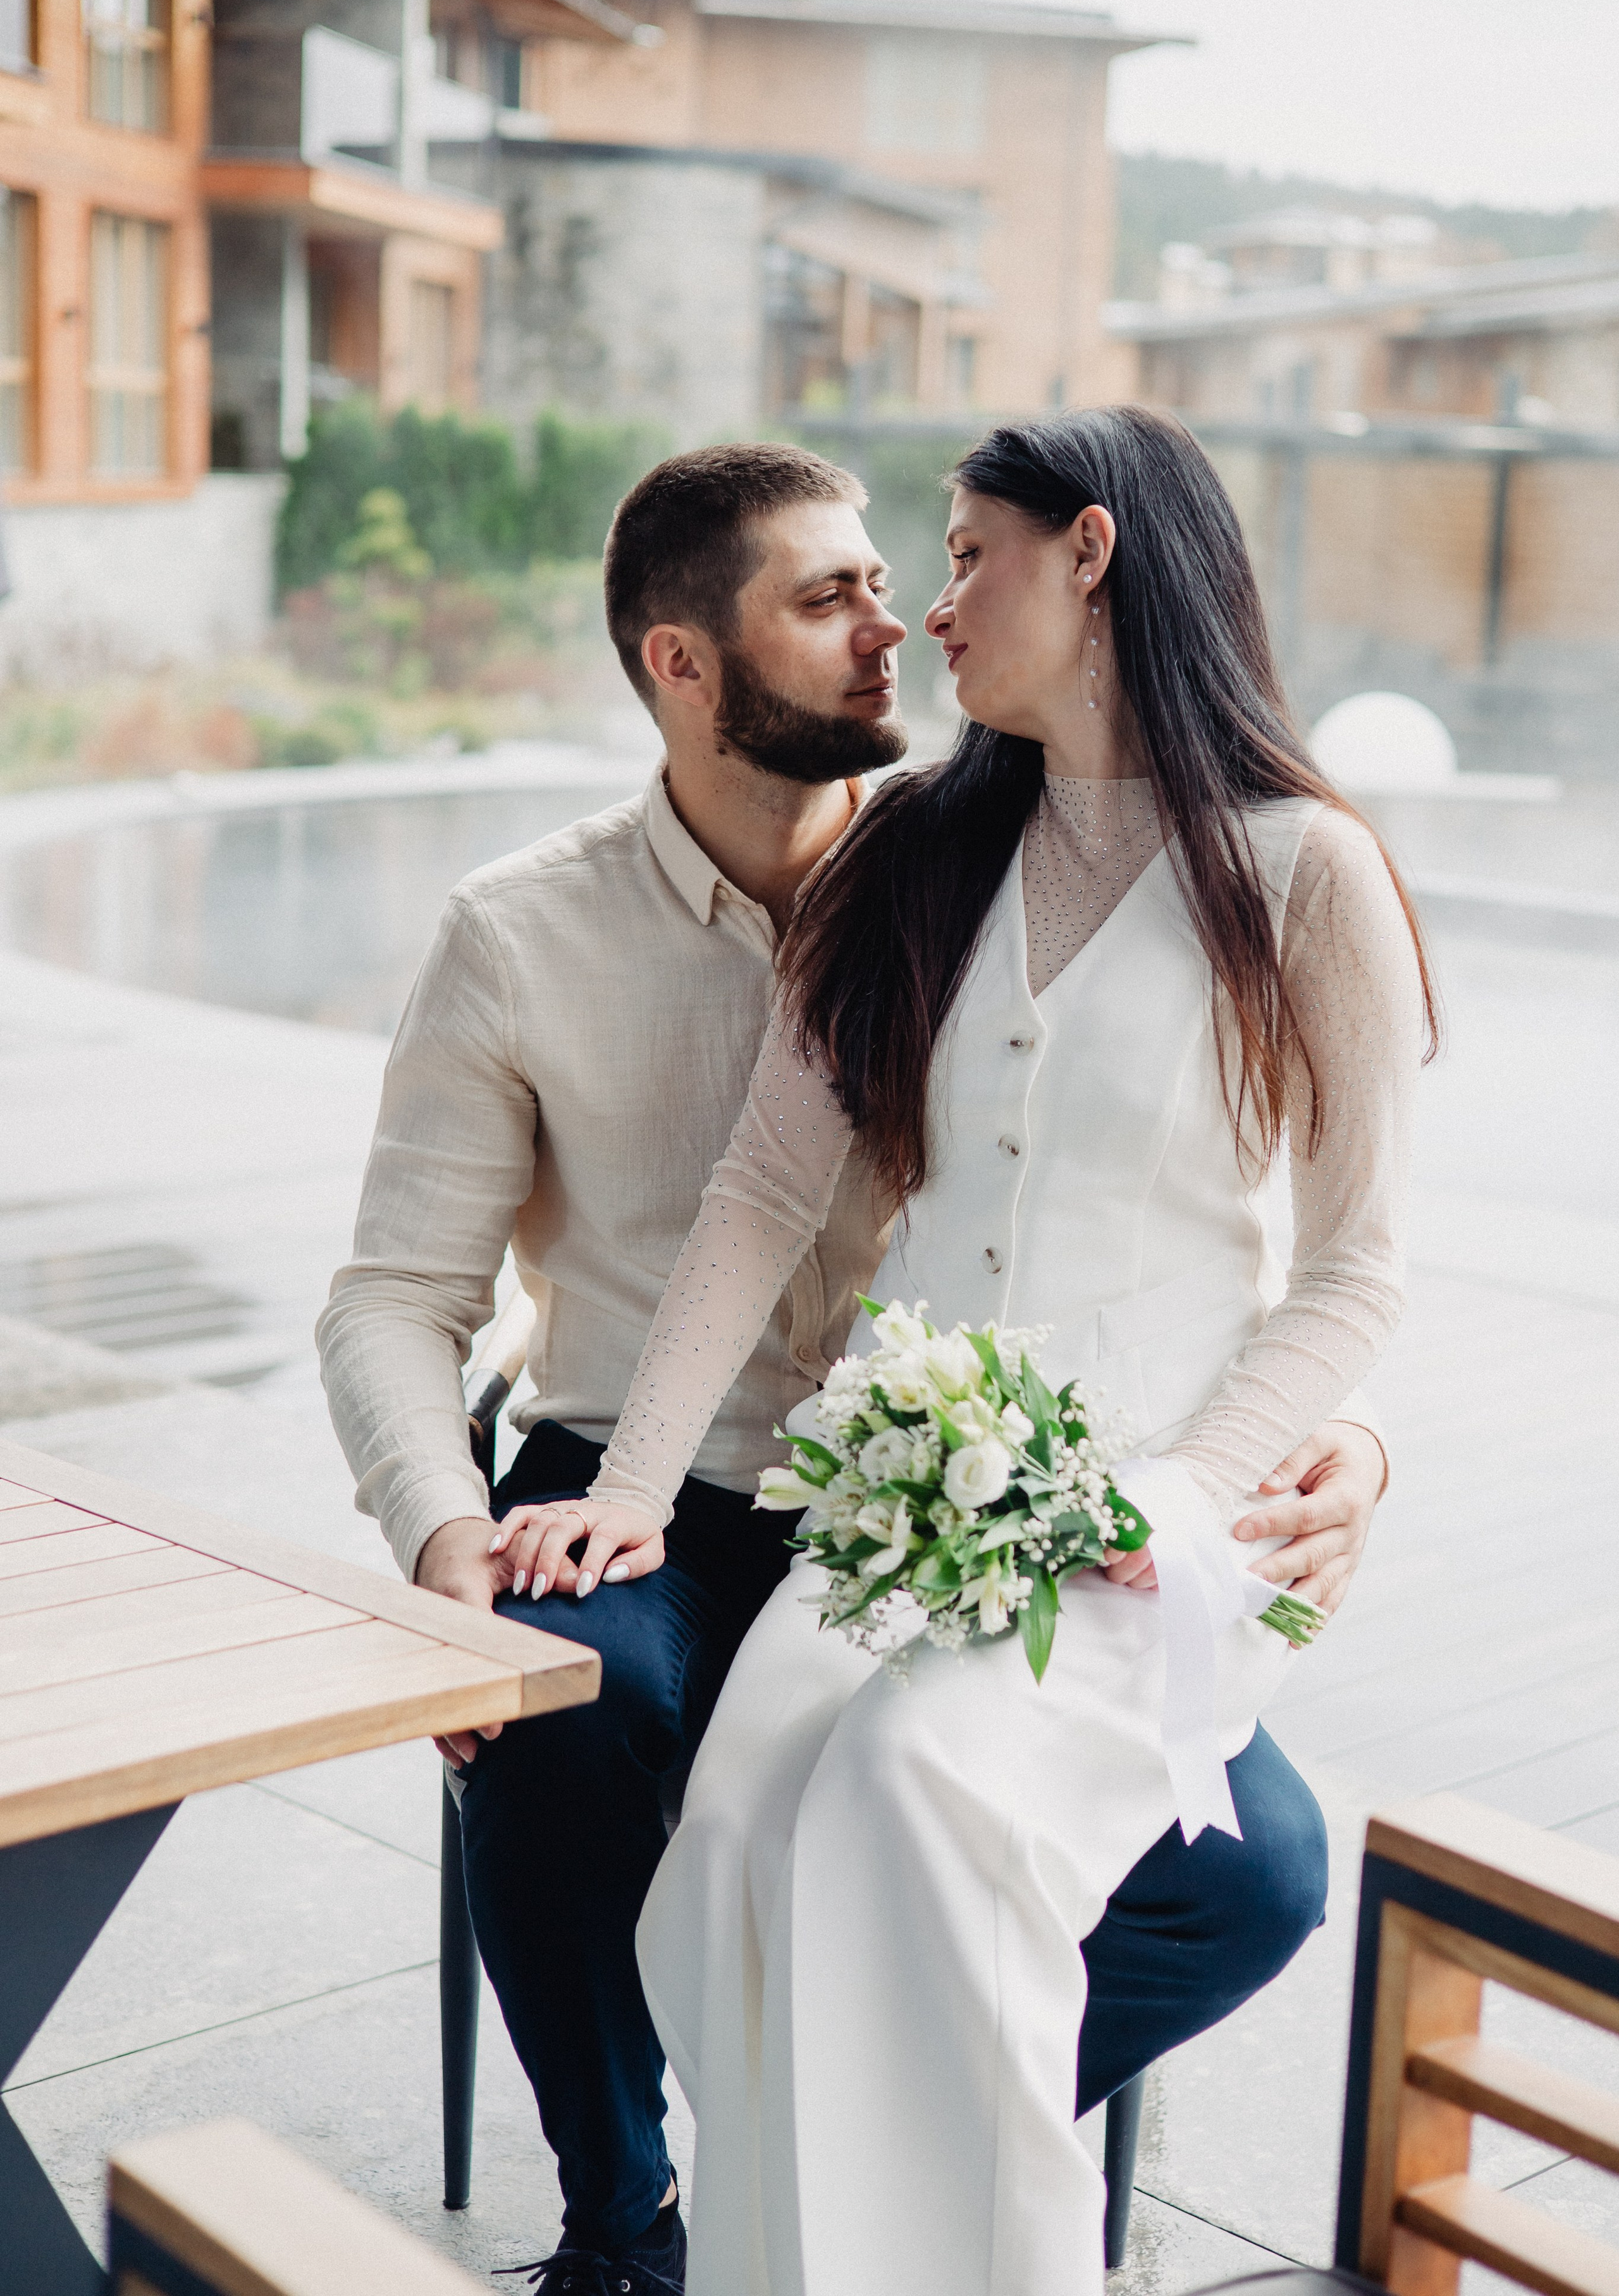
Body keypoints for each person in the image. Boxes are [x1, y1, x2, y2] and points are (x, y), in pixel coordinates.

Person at [319, 440, 1394, 2296]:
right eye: (839, 600)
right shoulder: (555, 924)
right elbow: (409, 1293)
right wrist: (488, 1527)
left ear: (1094, 560)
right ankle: (627, 2215)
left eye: (930, 572)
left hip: (989, 1507)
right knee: (573, 1711)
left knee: (1253, 1873)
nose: (907, 621)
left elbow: (1319, 1257)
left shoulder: (1045, 853)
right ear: (685, 663)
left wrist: (1333, 1450)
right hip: (682, 1481)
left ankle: (862, 2153)